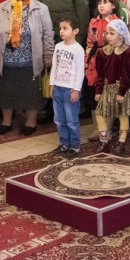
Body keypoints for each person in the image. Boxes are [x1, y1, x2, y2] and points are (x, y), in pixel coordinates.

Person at [0, 0, 53, 136]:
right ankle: (6, 122)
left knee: (30, 92)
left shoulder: (40, 9)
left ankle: (31, 122)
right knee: (7, 91)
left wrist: (48, 55)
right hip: (7, 58)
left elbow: (48, 34)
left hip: (30, 59)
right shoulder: (3, 7)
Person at [92, 19, 130, 155]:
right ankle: (104, 140)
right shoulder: (102, 52)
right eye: (107, 33)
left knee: (122, 114)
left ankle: (122, 142)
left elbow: (127, 74)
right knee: (100, 113)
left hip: (122, 88)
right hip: (108, 87)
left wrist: (122, 92)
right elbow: (101, 74)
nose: (108, 36)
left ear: (121, 35)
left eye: (112, 33)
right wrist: (99, 90)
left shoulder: (127, 52)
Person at [49, 17, 84, 157]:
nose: (61, 31)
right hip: (58, 87)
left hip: (70, 89)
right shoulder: (58, 47)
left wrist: (76, 89)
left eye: (65, 28)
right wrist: (52, 84)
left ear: (75, 31)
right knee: (59, 119)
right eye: (60, 28)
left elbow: (80, 71)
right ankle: (64, 143)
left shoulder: (78, 49)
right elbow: (54, 66)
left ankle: (74, 145)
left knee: (71, 119)